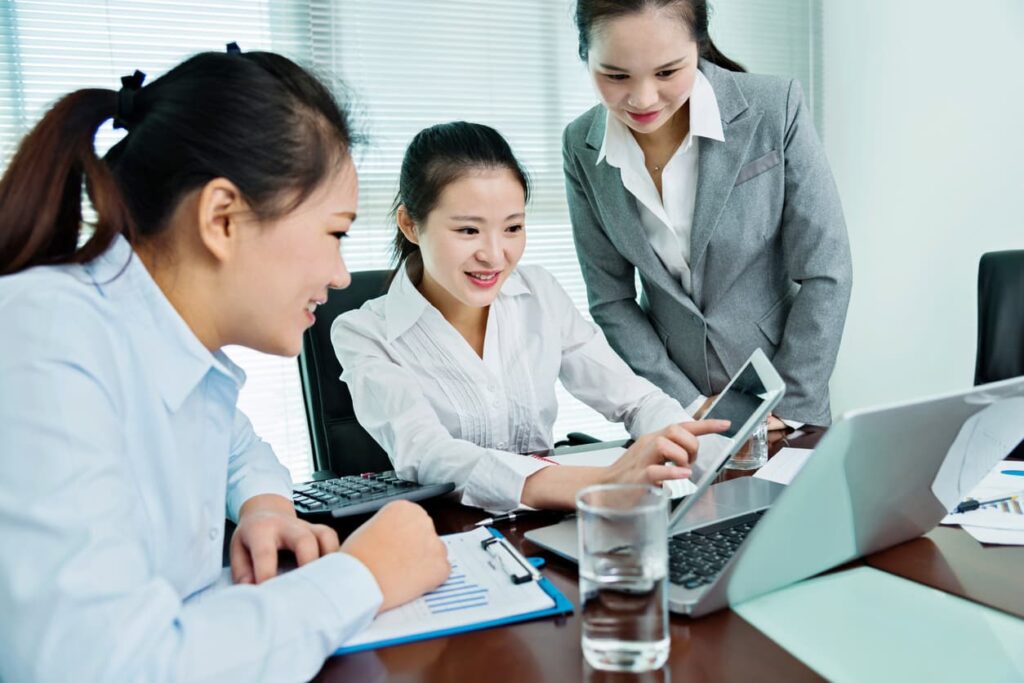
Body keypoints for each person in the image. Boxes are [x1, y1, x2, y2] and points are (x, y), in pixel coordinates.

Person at [0, 48, 449, 683]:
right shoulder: (43, 336)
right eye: (335, 232)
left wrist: (265, 506)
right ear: (221, 218)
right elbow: (106, 666)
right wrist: (363, 577)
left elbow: (238, 446)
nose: (341, 274)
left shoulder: (165, 346)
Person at [332, 121, 729, 512]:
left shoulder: (538, 292)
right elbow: (427, 453)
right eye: (468, 231)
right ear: (410, 225)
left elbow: (635, 400)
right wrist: (603, 483)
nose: (494, 254)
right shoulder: (363, 334)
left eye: (512, 228)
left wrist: (691, 451)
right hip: (444, 535)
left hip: (545, 523)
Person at [563, 0, 852, 427]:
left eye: (667, 72)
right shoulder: (580, 145)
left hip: (784, 397)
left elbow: (826, 271)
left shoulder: (774, 108)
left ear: (697, 46)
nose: (643, 98)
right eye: (615, 75)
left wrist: (788, 404)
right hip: (672, 408)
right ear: (586, 57)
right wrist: (686, 402)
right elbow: (611, 299)